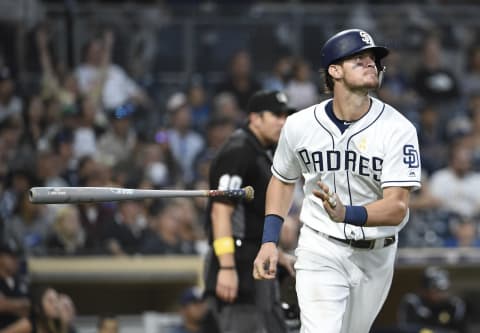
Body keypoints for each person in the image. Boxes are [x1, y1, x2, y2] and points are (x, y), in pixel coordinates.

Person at [253, 28, 422, 333]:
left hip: (377, 253)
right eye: (359, 58)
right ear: (334, 70)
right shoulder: (299, 125)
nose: (371, 63)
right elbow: (281, 180)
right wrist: (269, 240)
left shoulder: (399, 129)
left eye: (374, 59)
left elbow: (397, 206)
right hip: (321, 244)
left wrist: (348, 214)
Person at [204, 90, 295, 333]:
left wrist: (277, 251)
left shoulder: (261, 151)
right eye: (275, 115)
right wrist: (226, 266)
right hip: (239, 262)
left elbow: (254, 215)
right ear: (254, 118)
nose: (282, 121)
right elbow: (220, 211)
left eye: (285, 115)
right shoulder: (238, 150)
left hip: (255, 259)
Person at [397, 266, 468, 333]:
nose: (441, 293)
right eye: (436, 289)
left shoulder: (453, 305)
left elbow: (459, 328)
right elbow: (407, 328)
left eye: (443, 290)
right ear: (424, 289)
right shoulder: (413, 302)